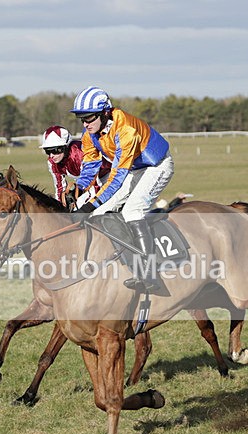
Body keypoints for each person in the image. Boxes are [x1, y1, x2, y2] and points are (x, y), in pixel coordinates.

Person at [69, 86, 174, 291]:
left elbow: (117, 177)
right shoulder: (89, 133)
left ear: (104, 113)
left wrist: (91, 204)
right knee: (99, 213)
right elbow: (90, 164)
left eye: (89, 118)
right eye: (82, 119)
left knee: (132, 211)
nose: (85, 124)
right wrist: (78, 189)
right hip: (136, 168)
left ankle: (149, 273)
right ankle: (124, 262)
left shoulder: (126, 130)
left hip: (156, 166)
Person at [39, 125, 109, 208]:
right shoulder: (52, 162)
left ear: (66, 147)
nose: (52, 155)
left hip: (106, 175)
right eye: (47, 151)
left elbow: (94, 183)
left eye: (55, 150)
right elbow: (59, 188)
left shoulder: (79, 152)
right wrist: (60, 209)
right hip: (85, 182)